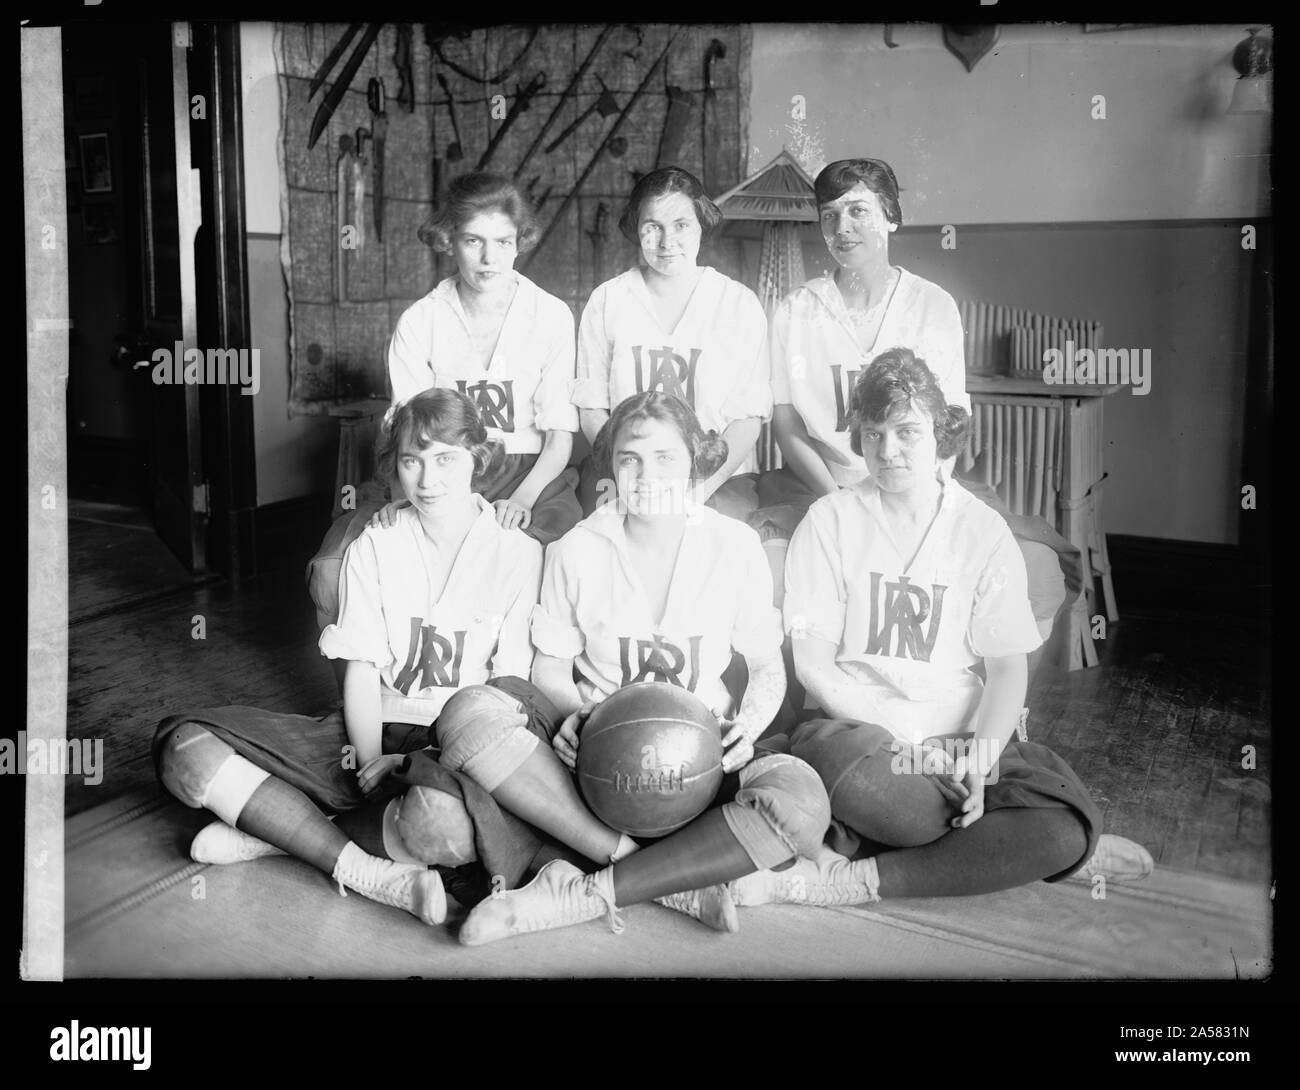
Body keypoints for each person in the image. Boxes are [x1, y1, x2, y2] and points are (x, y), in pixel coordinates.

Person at [728, 350, 1151, 912]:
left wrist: (975, 765)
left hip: (956, 739)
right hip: (857, 733)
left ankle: (845, 871)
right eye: (873, 434)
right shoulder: (830, 521)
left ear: (941, 435)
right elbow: (813, 665)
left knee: (1064, 826)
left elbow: (1004, 670)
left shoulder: (981, 530)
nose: (888, 450)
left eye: (907, 431)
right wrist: (909, 746)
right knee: (890, 800)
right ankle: (990, 852)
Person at [436, 392, 831, 944]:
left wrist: (748, 731)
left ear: (695, 459)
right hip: (596, 757)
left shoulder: (735, 546)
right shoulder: (576, 548)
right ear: (611, 465)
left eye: (665, 457)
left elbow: (767, 667)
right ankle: (670, 876)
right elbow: (549, 670)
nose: (647, 475)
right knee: (469, 712)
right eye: (630, 458)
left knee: (803, 803)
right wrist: (578, 716)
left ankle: (582, 891)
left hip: (700, 757)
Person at [154, 389, 559, 926]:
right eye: (412, 461)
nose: (428, 480)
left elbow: (506, 692)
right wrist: (370, 763)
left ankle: (283, 832)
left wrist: (419, 763)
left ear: (478, 460)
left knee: (442, 824)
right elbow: (363, 673)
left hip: (458, 748)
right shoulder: (376, 542)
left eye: (446, 459)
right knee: (186, 749)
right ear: (394, 466)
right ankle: (376, 873)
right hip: (371, 726)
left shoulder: (518, 552)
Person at [752, 158, 1073, 636]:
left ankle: (982, 696)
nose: (843, 228)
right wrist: (839, 500)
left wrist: (912, 499)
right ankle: (809, 693)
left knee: (1030, 568)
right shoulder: (796, 309)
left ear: (891, 217)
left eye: (859, 211)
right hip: (818, 484)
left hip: (919, 482)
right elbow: (787, 424)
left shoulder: (930, 305)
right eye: (830, 216)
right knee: (768, 568)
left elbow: (949, 419)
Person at [306, 172, 582, 631]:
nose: (490, 258)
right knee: (336, 569)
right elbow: (406, 435)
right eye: (473, 240)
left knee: (539, 568)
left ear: (520, 242)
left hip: (529, 474)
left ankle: (508, 696)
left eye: (504, 242)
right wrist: (410, 501)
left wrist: (524, 499)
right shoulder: (423, 320)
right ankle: (372, 693)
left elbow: (559, 437)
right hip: (433, 469)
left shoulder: (550, 316)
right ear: (448, 239)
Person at [572, 167, 770, 521]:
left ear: (701, 224)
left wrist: (697, 493)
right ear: (636, 227)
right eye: (653, 227)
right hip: (627, 476)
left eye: (681, 225)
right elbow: (592, 408)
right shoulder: (609, 300)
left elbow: (748, 418)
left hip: (716, 480)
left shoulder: (737, 304)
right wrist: (631, 477)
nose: (667, 242)